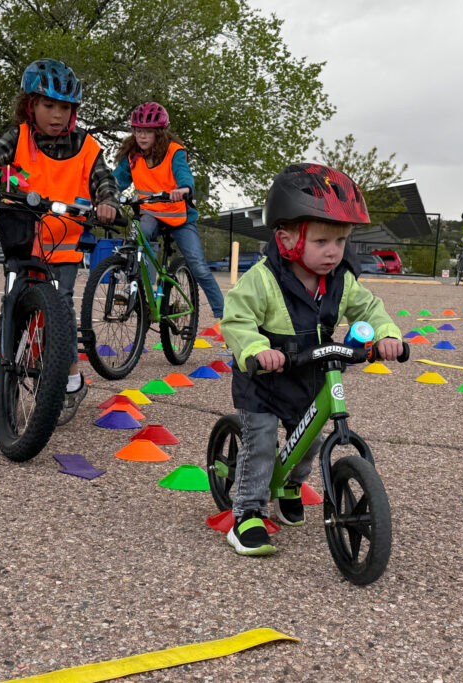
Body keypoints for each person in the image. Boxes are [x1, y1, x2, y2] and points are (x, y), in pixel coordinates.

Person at [220, 163, 403, 556]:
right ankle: (248, 514)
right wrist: (255, 349)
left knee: (309, 440)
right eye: (322, 241)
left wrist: (386, 334)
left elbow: (369, 308)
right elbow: (237, 318)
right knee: (263, 442)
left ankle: (289, 485)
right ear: (286, 238)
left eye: (341, 241)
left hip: (311, 376)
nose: (333, 252)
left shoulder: (341, 281)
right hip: (265, 381)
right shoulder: (264, 279)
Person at [0, 59, 120, 425]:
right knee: (11, 306)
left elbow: (104, 181)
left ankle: (71, 382)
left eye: (65, 108)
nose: (57, 115)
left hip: (63, 247)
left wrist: (107, 204)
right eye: (48, 105)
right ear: (30, 105)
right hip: (22, 241)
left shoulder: (87, 147)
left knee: (60, 313)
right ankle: (8, 368)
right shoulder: (19, 137)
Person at [112, 102, 225, 319]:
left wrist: (183, 189)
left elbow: (184, 174)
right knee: (139, 237)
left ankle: (226, 318)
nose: (141, 136)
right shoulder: (132, 156)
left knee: (199, 267)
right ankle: (133, 288)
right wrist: (103, 193)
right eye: (137, 131)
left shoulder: (174, 151)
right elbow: (116, 180)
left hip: (179, 217)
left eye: (147, 132)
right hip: (150, 213)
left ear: (159, 133)